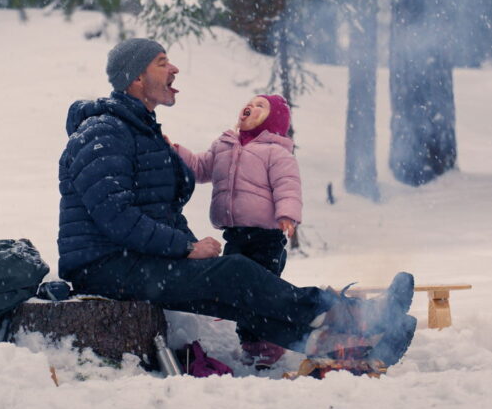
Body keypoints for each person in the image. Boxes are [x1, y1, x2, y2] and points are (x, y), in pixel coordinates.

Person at [57, 38, 416, 370]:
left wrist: (190, 248)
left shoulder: (139, 131)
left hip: (133, 258)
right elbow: (115, 216)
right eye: (162, 62)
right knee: (236, 275)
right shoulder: (103, 132)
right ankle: (358, 316)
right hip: (102, 266)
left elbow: (158, 210)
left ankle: (350, 350)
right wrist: (185, 247)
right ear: (136, 78)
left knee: (236, 291)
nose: (174, 69)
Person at [169, 93, 302, 367]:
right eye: (251, 102)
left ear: (274, 121)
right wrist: (177, 151)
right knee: (239, 293)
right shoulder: (224, 145)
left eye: (261, 106)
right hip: (235, 236)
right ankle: (251, 344)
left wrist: (287, 214)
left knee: (263, 291)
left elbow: (288, 185)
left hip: (266, 237)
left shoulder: (276, 152)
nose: (251, 106)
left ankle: (270, 343)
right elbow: (200, 168)